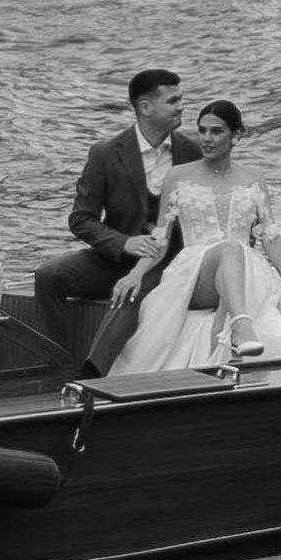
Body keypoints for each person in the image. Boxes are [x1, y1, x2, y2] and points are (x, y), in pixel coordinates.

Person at [111, 99, 281, 374]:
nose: (206, 138)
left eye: (216, 131)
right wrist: (136, 273)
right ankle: (240, 325)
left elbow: (270, 237)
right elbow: (161, 238)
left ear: (236, 135)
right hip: (195, 274)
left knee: (235, 252)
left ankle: (222, 334)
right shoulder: (177, 175)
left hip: (247, 272)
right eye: (202, 130)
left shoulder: (253, 177)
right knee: (230, 249)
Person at [33, 69, 197, 352]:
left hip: (168, 264)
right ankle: (56, 363)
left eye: (181, 99)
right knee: (49, 275)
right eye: (173, 101)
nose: (181, 106)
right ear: (145, 107)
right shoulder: (105, 153)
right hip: (113, 262)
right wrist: (124, 243)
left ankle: (101, 368)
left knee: (135, 292)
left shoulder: (192, 152)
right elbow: (81, 219)